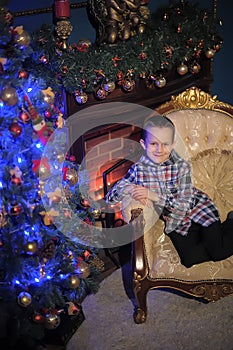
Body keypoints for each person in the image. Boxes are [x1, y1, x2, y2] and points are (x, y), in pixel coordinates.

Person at [106, 115, 233, 268]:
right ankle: (217, 234)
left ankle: (230, 223)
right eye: (153, 144)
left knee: (217, 252)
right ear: (143, 144)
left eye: (165, 144)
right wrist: (126, 187)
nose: (159, 150)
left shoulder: (180, 167)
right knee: (189, 260)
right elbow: (110, 199)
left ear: (172, 144)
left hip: (200, 210)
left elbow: (183, 204)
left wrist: (153, 195)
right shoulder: (138, 170)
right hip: (177, 221)